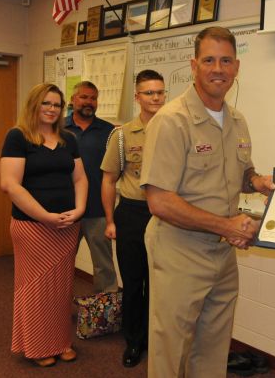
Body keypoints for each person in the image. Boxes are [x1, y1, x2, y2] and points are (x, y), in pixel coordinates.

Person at [140, 26, 274, 378]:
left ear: (237, 67)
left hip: (223, 252)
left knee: (214, 346)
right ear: (193, 65)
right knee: (170, 348)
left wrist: (257, 181)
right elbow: (160, 202)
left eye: (226, 61)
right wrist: (227, 226)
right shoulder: (171, 121)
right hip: (179, 250)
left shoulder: (237, 120)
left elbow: (240, 171)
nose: (218, 69)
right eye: (209, 60)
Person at [0, 83, 88, 367]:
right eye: (46, 103)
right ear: (34, 104)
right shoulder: (18, 137)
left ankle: (61, 342)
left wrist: (80, 210)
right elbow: (10, 185)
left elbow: (80, 179)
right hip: (33, 227)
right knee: (35, 289)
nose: (52, 109)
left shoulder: (68, 139)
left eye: (57, 105)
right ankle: (38, 346)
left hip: (66, 226)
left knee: (61, 288)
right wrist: (44, 216)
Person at [100, 69, 165, 368]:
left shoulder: (176, 129)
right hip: (132, 213)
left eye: (160, 92)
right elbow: (109, 180)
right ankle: (134, 341)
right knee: (134, 280)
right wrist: (110, 221)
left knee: (160, 282)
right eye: (149, 93)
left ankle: (155, 338)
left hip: (166, 214)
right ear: (137, 97)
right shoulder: (122, 135)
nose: (156, 98)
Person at [65, 81, 118, 293]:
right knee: (62, 264)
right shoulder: (58, 129)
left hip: (98, 210)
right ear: (73, 100)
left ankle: (107, 309)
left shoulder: (110, 132)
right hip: (65, 211)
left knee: (104, 266)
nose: (89, 102)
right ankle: (57, 306)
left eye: (93, 98)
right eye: (84, 97)